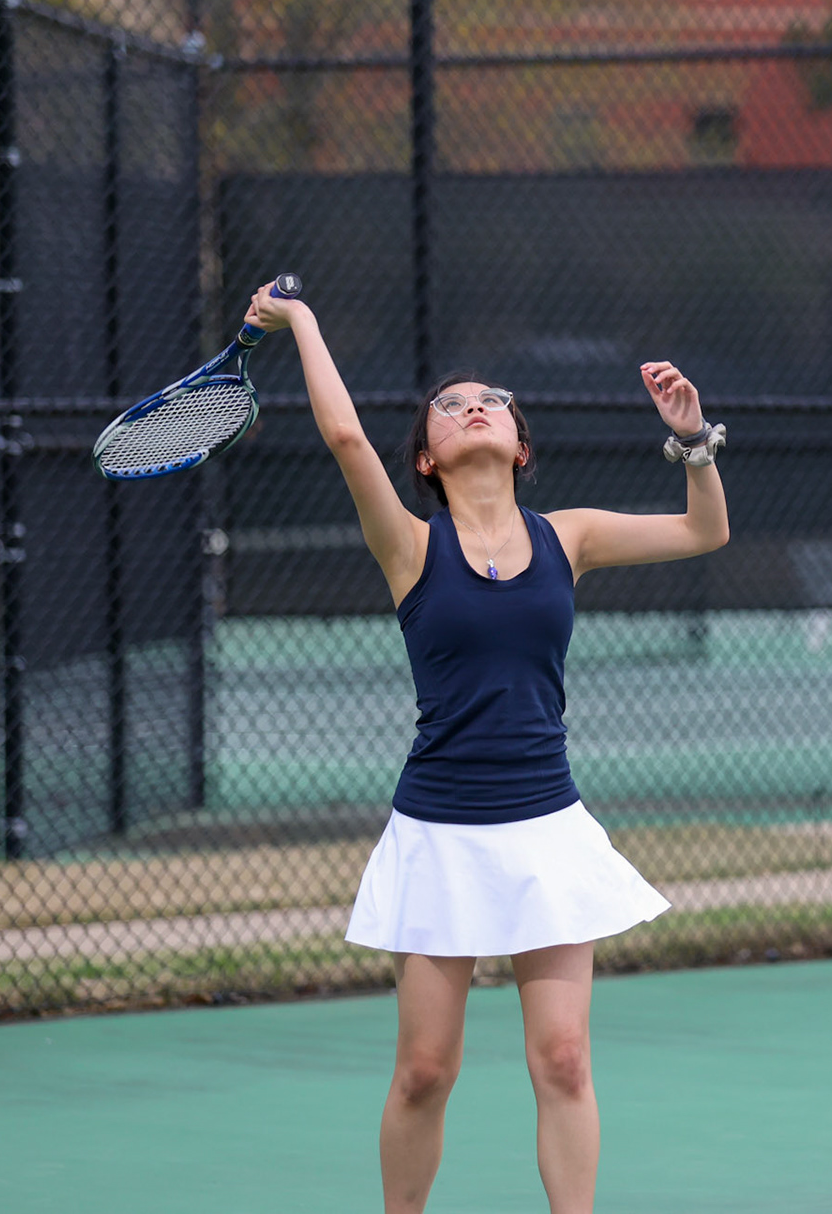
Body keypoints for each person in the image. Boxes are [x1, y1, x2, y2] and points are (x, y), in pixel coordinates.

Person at [246, 286, 729, 1214]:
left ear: (521, 445)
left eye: (494, 400)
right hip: (439, 832)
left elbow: (704, 530)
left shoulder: (569, 539)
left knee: (564, 1057)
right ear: (427, 457)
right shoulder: (409, 546)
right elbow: (348, 441)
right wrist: (302, 321)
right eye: (452, 403)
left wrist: (692, 435)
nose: (476, 405)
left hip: (548, 830)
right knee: (426, 1070)